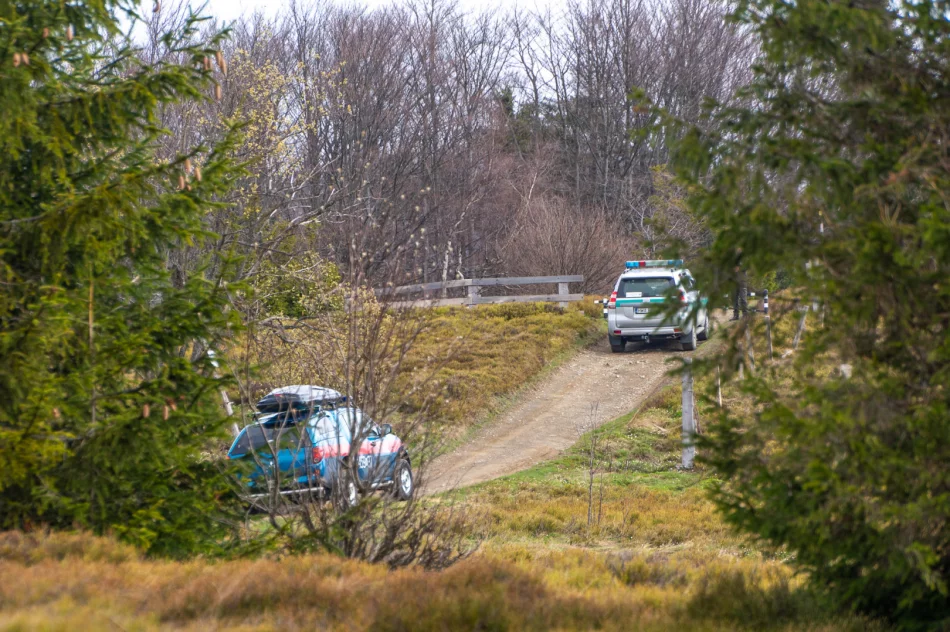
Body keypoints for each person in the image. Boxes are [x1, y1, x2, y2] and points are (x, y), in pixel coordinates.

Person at [731, 254, 748, 321]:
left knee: (743, 299)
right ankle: (736, 315)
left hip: (742, 282)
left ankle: (745, 315)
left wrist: (739, 268)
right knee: (734, 300)